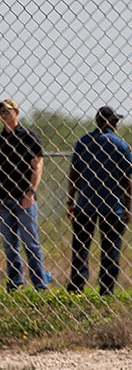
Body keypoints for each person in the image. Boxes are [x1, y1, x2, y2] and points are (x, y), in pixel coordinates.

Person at [0, 98, 51, 291]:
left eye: (7, 111)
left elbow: (37, 165)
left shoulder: (29, 137)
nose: (4, 115)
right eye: (1, 112)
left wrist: (31, 192)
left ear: (17, 112)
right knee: (9, 244)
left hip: (24, 198)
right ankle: (15, 283)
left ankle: (40, 283)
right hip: (4, 198)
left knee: (31, 243)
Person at [67, 106, 132, 295]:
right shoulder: (120, 145)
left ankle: (76, 288)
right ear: (112, 122)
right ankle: (106, 291)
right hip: (113, 207)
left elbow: (74, 175)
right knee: (110, 251)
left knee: (80, 249)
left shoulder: (83, 142)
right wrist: (127, 207)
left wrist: (71, 202)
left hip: (85, 205)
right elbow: (128, 181)